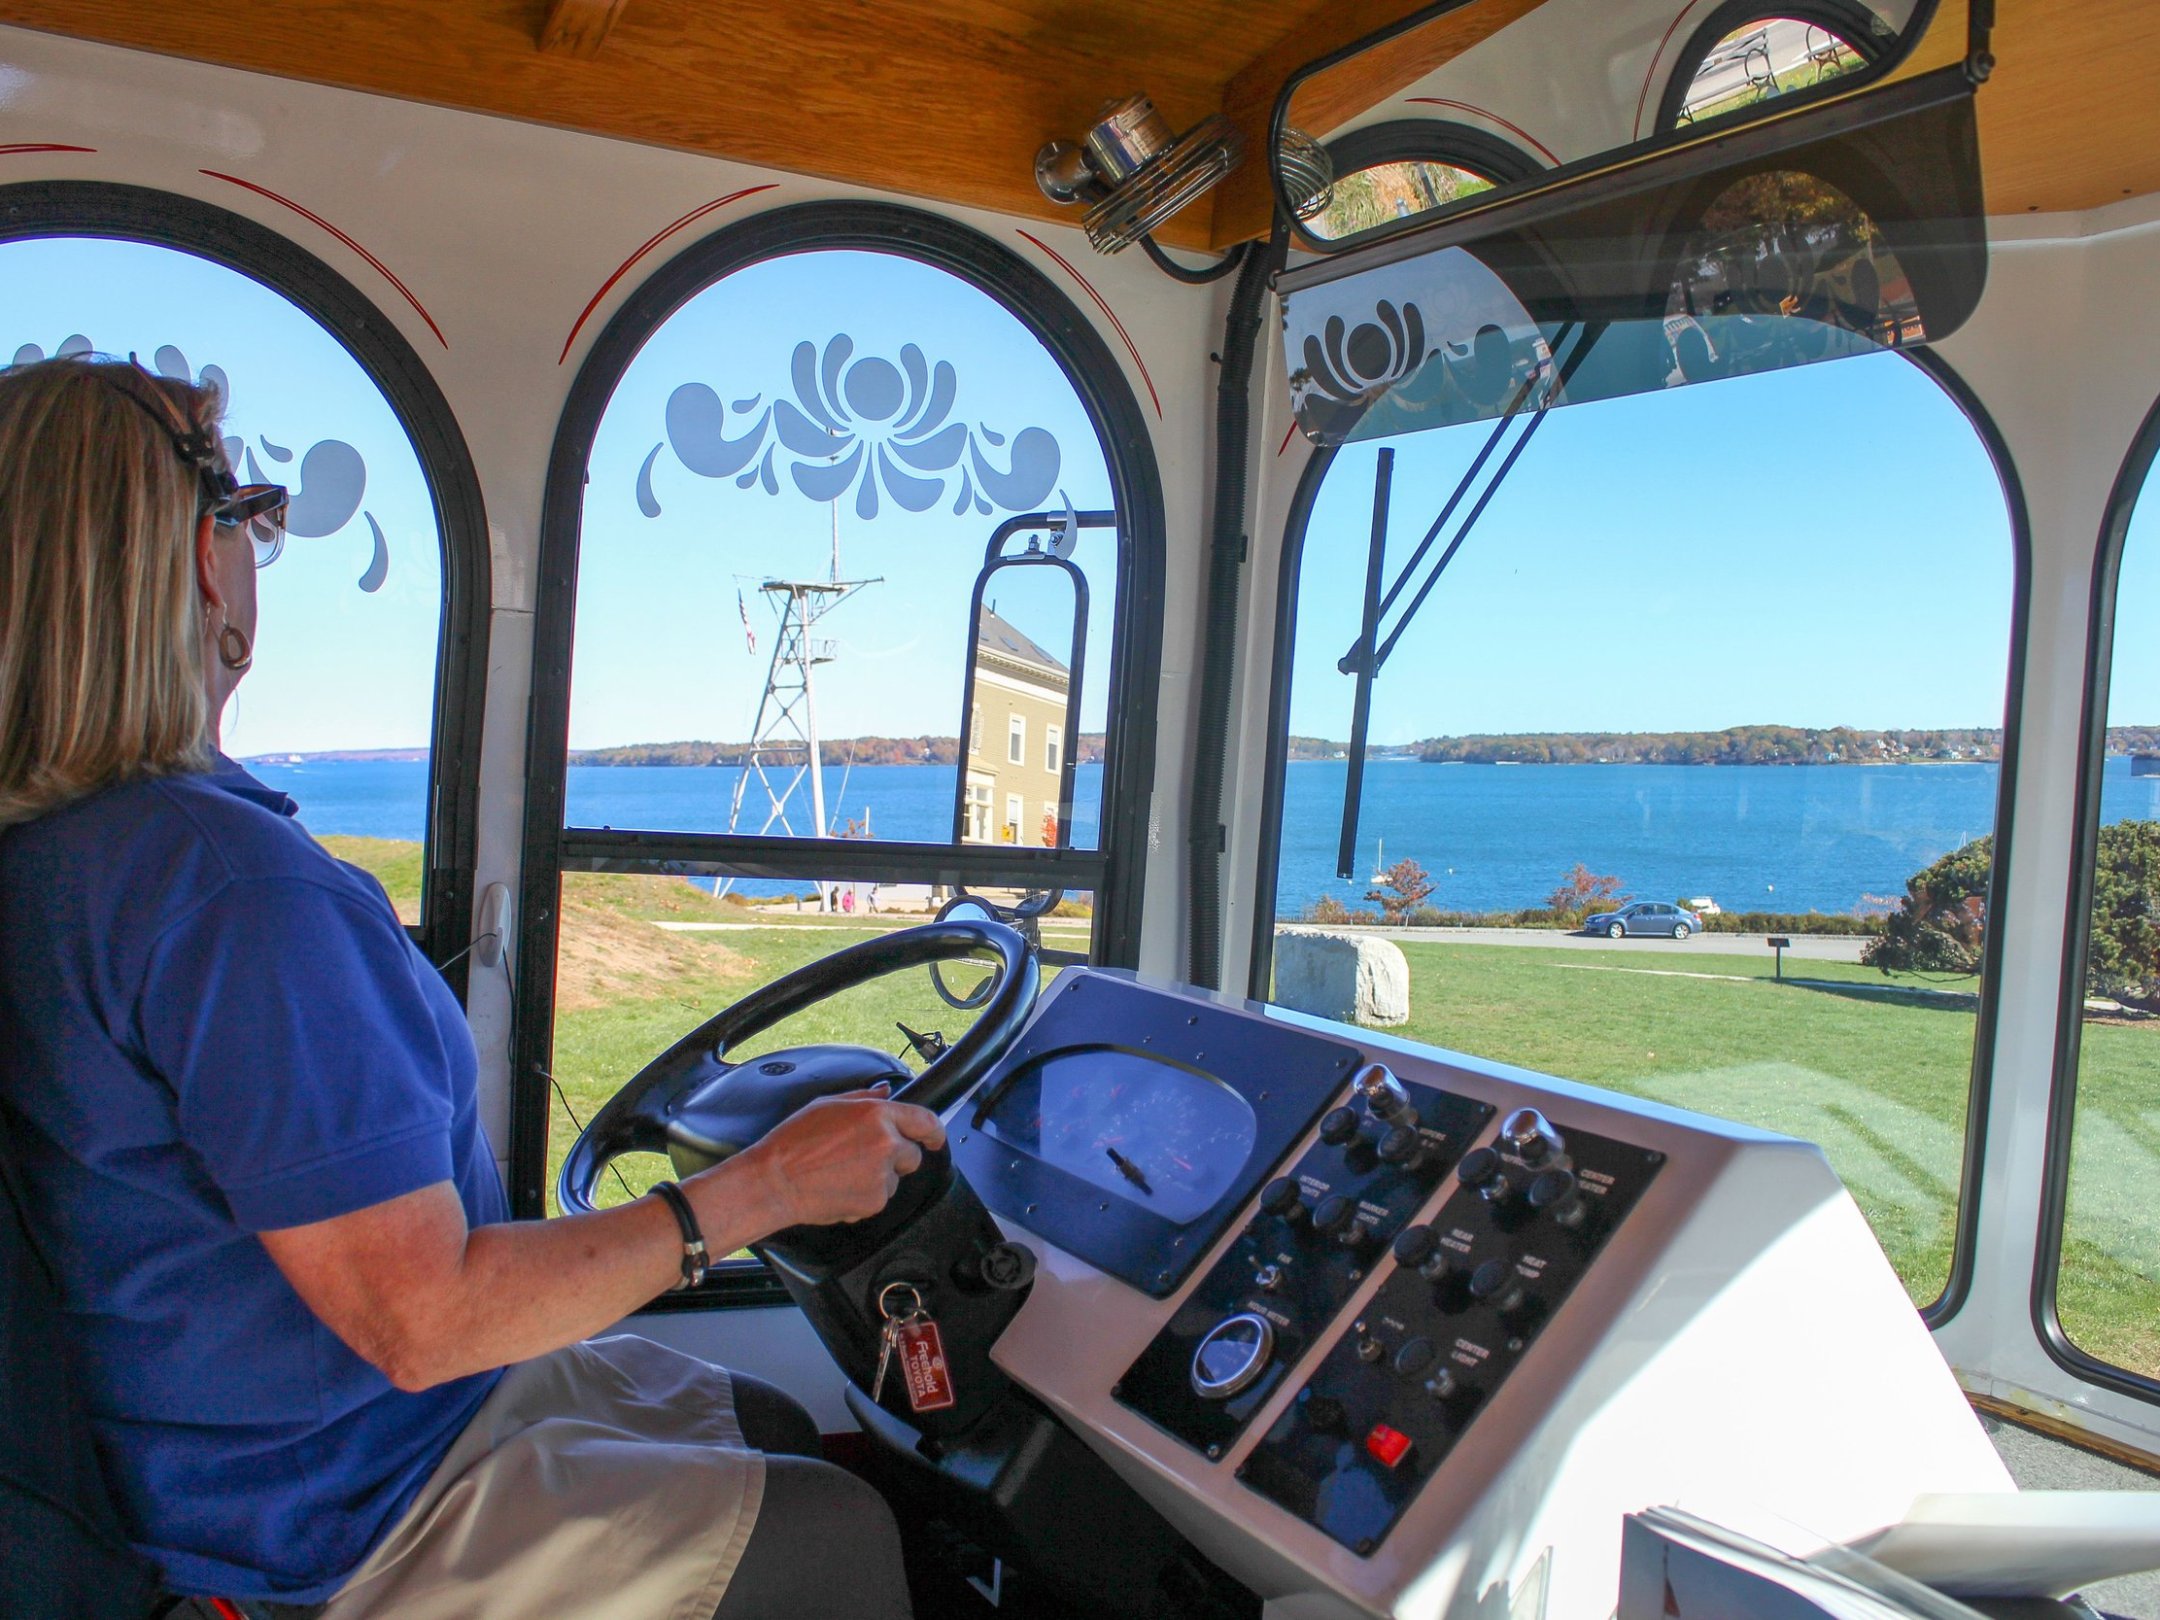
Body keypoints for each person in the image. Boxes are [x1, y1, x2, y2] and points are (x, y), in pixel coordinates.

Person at [0, 356, 935, 1618]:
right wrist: (767, 1186)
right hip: (327, 1512)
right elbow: (424, 1315)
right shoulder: (230, 893)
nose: (256, 556)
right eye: (250, 520)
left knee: (761, 1416)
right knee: (838, 1524)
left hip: (258, 1452)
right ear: (191, 568)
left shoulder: (68, 857)